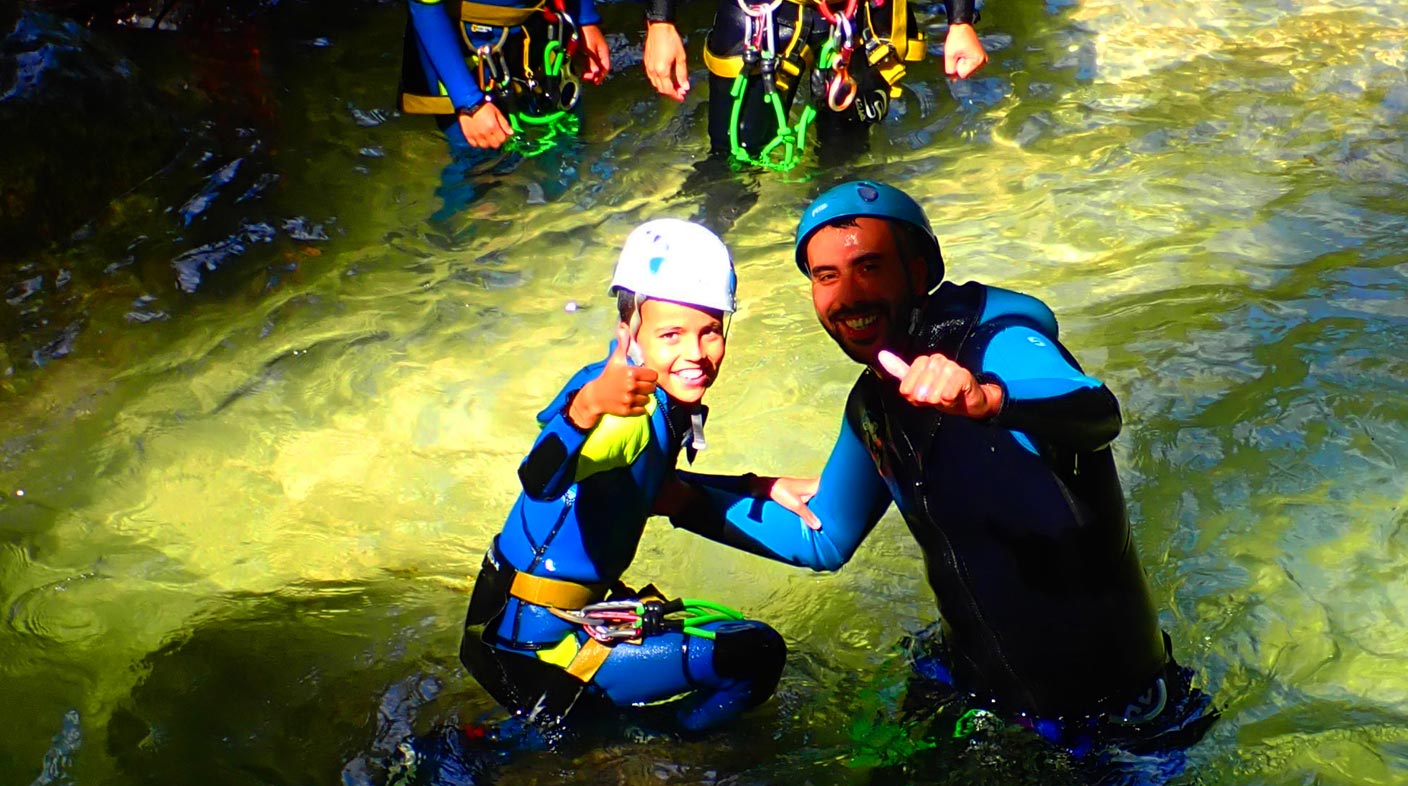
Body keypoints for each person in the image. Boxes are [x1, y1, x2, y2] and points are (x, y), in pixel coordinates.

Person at [663, 181, 1205, 742]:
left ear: (919, 274)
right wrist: (675, 496)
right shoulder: (873, 405)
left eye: (869, 267)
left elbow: (1097, 414)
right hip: (974, 690)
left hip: (1113, 712)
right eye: (826, 277)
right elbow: (821, 536)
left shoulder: (998, 343)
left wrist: (987, 399)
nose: (847, 295)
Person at [459, 219, 787, 734]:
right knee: (755, 653)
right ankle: (653, 751)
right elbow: (539, 480)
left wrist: (757, 487)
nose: (696, 354)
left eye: (710, 332)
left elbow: (655, 491)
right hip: (540, 651)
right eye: (672, 334)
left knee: (728, 637)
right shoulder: (622, 413)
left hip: (514, 619)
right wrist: (586, 411)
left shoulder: (644, 393)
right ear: (628, 336)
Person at [640, 0, 987, 167]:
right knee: (731, 165)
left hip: (863, 17)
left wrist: (960, 20)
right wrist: (661, 20)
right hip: (763, 14)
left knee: (844, 164)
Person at [397, 0, 612, 151]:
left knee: (568, 148)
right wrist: (469, 103)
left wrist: (585, 19)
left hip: (542, 40)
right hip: (467, 60)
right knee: (480, 174)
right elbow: (426, 8)